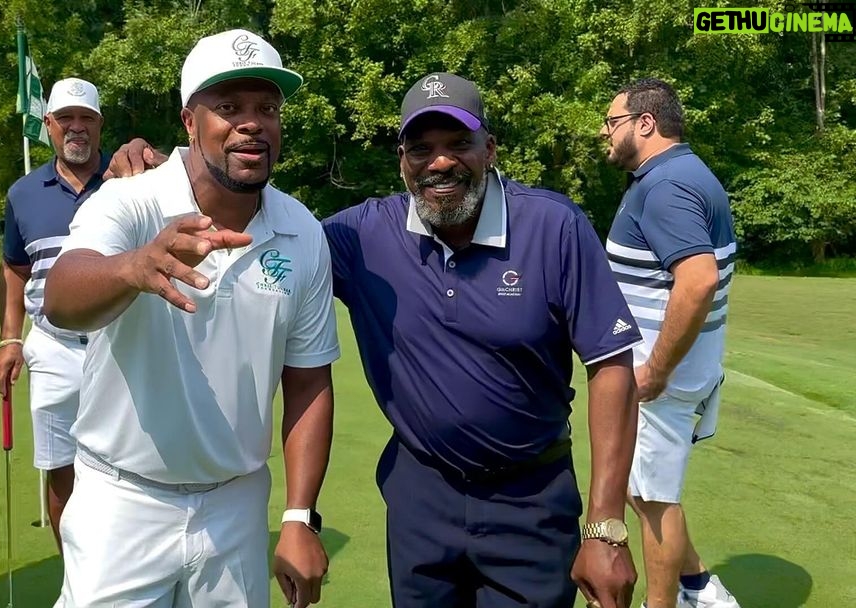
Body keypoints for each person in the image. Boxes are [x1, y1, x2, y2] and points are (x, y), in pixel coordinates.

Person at [107, 72, 642, 608]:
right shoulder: (362, 234)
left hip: (531, 496)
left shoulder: (554, 226)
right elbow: (279, 241)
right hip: (420, 498)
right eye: (422, 147)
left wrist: (605, 527)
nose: (440, 162)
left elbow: (611, 365)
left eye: (459, 144)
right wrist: (170, 172)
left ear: (490, 150)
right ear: (401, 158)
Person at [41, 29, 340, 608]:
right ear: (189, 122)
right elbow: (61, 295)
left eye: (267, 108)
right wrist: (134, 266)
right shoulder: (130, 201)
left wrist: (300, 516)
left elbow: (307, 379)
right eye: (228, 108)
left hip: (236, 502)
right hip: (120, 500)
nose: (251, 123)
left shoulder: (303, 229)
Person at [600, 79, 739, 608]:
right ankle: (700, 583)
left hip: (662, 379)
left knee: (655, 500)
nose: (604, 133)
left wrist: (655, 371)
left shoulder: (667, 187)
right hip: (681, 371)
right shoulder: (680, 172)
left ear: (645, 123)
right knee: (640, 489)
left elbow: (699, 279)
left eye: (612, 123)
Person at [0, 77, 108, 558]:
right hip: (54, 346)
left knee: (134, 464)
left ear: (101, 126)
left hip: (120, 345)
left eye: (86, 119)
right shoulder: (24, 193)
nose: (76, 128)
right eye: (66, 119)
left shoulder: (132, 181)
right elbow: (16, 270)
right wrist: (8, 339)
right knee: (60, 469)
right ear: (49, 125)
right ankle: (77, 576)